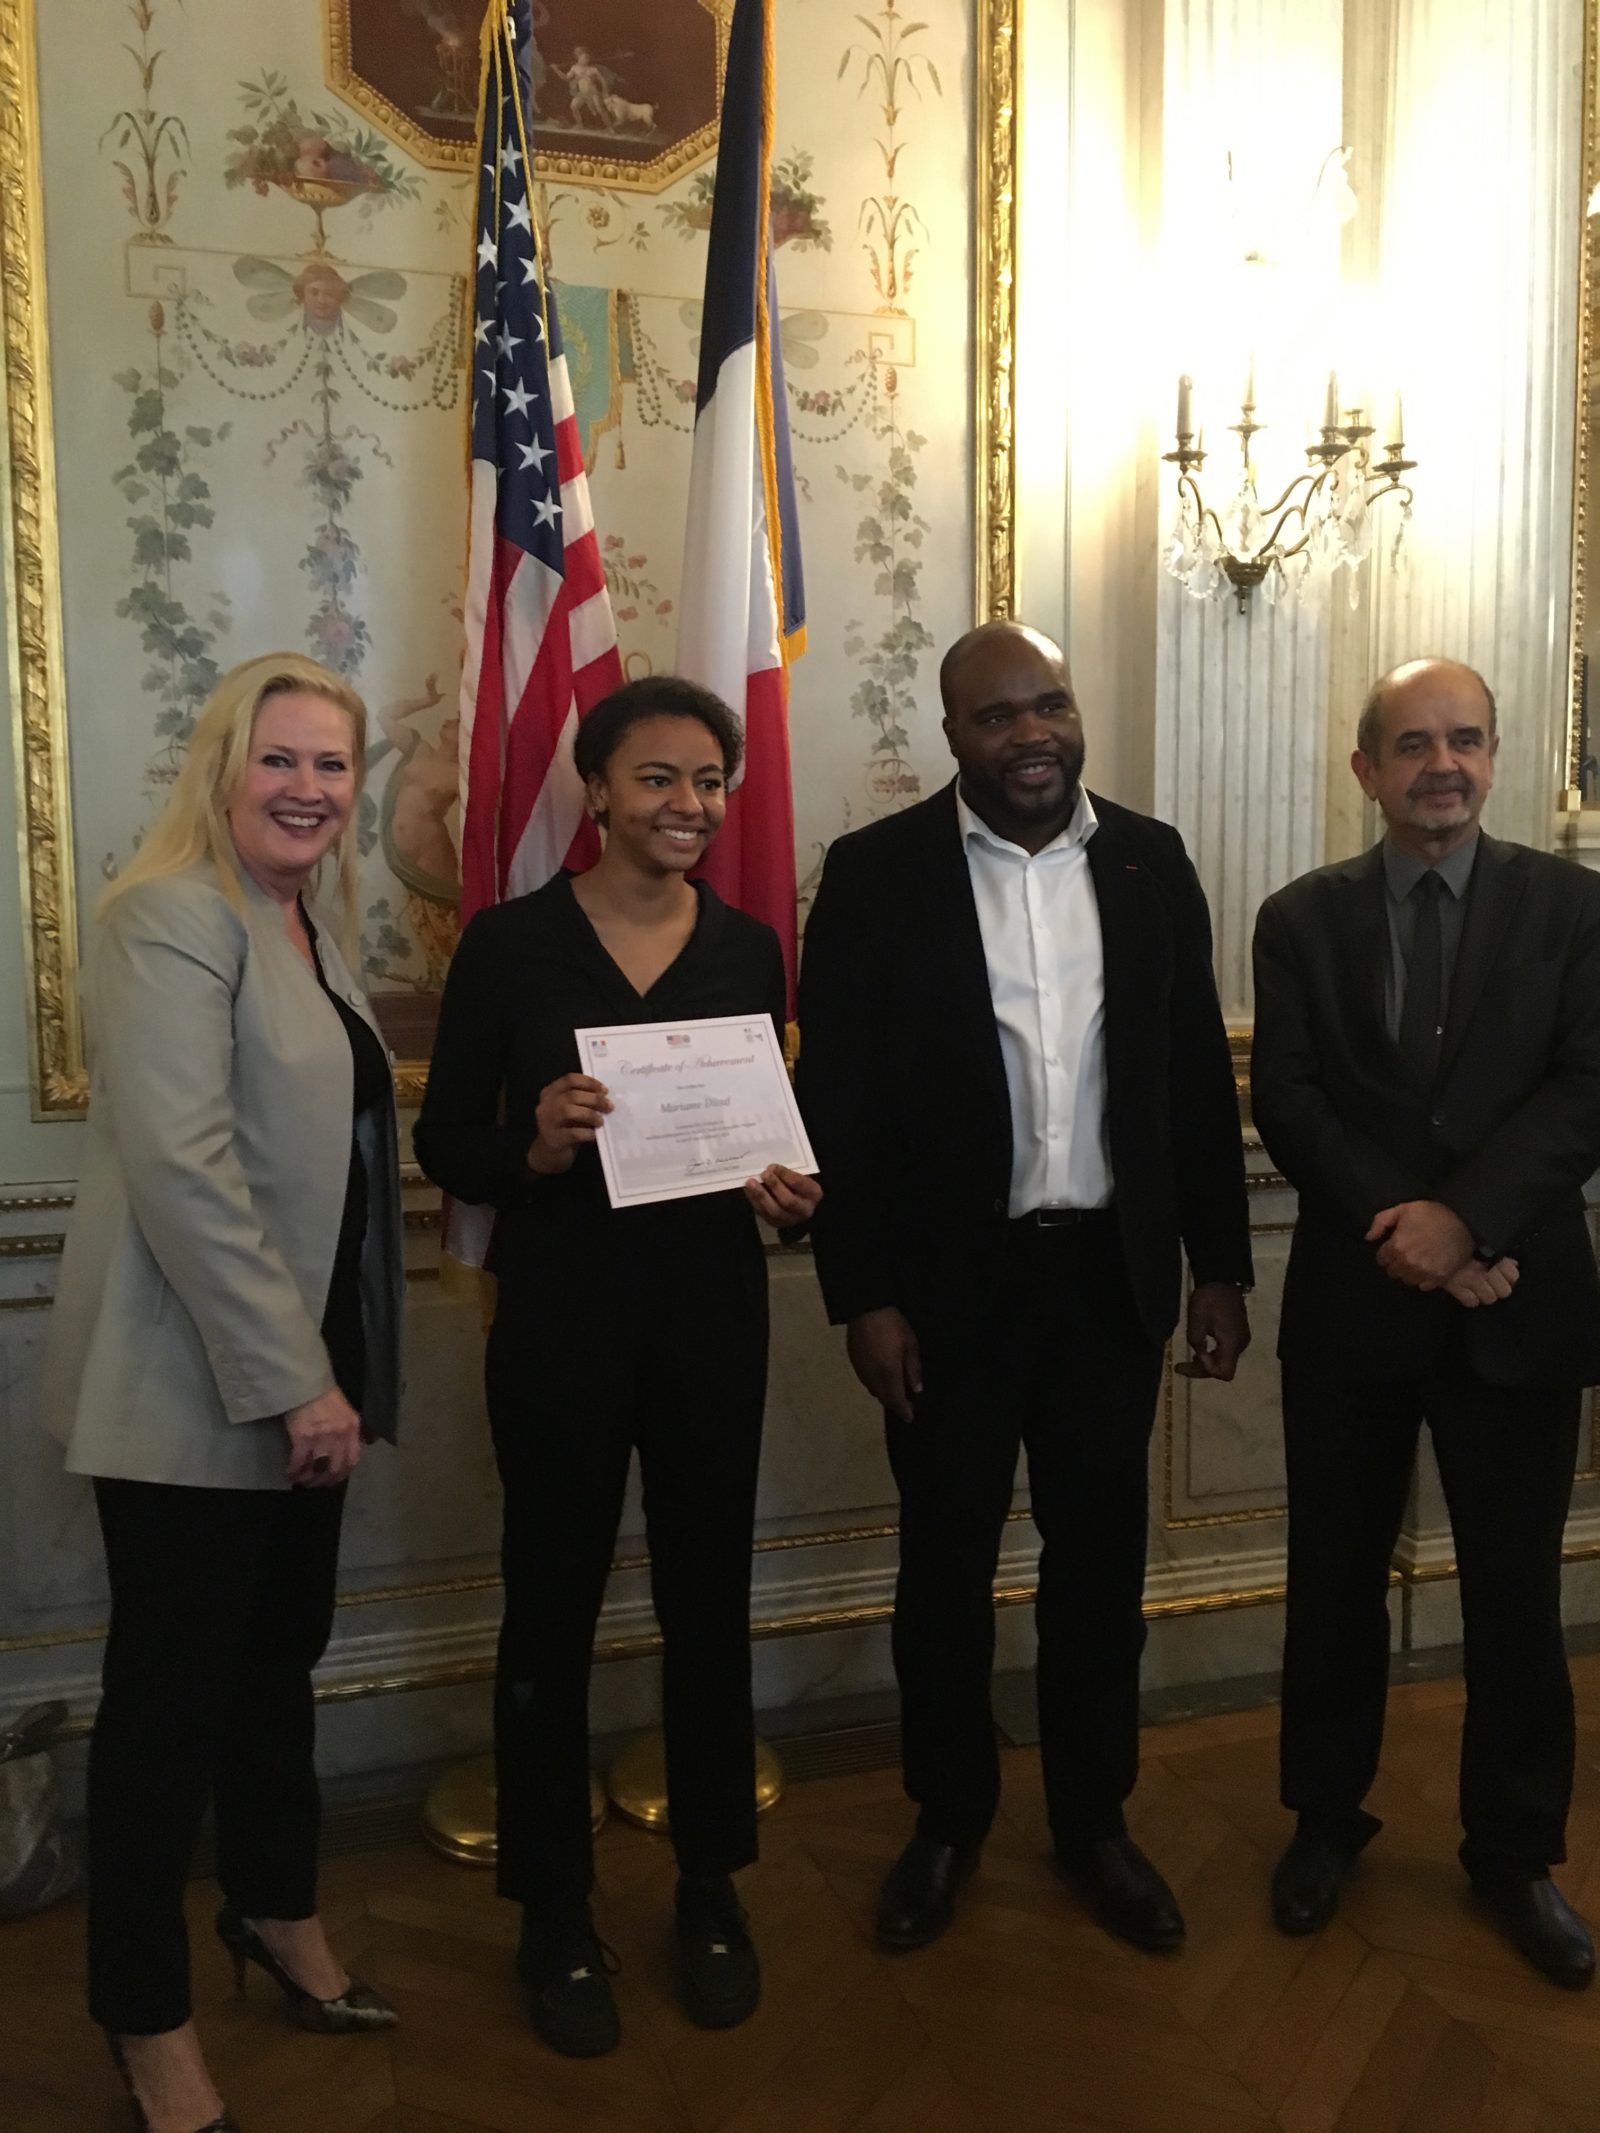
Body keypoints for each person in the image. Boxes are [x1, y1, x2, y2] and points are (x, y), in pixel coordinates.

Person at [798, 619, 1253, 1957]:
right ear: (951, 734)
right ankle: (947, 1822)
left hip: (1110, 1281)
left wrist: (1221, 1266)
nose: (1031, 734)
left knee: (1099, 1571)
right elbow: (841, 1104)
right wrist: (863, 1295)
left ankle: (1094, 1821)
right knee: (943, 1570)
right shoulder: (876, 875)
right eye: (997, 716)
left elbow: (1191, 1082)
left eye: (1048, 703)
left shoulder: (1152, 861)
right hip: (948, 1296)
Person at [414, 675, 820, 2059]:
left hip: (711, 1319)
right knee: (551, 1609)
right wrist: (529, 1145)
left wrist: (792, 1196)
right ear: (595, 790)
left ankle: (710, 1887)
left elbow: (762, 1132)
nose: (689, 805)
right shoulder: (511, 945)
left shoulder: (751, 951)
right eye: (658, 778)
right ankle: (553, 1907)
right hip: (560, 1322)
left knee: (710, 1604)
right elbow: (446, 1144)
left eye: (710, 781)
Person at [42, 653, 406, 2133]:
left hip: (306, 1376)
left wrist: (331, 1379)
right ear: (223, 767)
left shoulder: (303, 923)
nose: (309, 788)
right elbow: (186, 1170)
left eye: (333, 764)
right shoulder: (169, 915)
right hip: (200, 1387)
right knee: (168, 1714)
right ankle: (144, 2022)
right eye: (280, 758)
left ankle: (273, 1909)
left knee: (274, 1668)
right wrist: (297, 1381)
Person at [1251, 657, 1600, 1990]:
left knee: (1517, 1595)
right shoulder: (1299, 918)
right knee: (1332, 1581)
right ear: (1367, 769)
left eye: (1464, 739)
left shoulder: (1577, 908)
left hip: (1522, 1305)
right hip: (1358, 1307)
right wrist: (1418, 1234)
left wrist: (1470, 1223)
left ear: (1494, 756)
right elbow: (1289, 1098)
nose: (1440, 764)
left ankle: (1515, 1851)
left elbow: (1587, 1088)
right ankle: (1324, 1820)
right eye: (1412, 743)